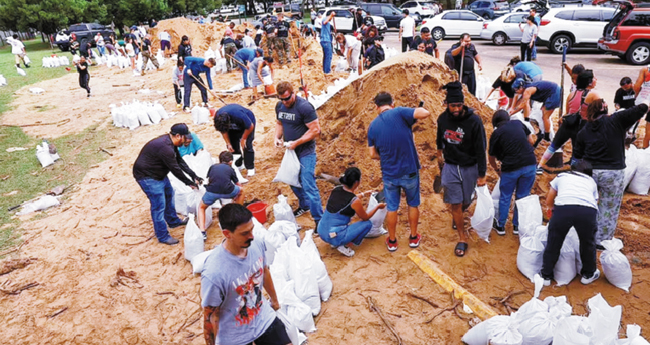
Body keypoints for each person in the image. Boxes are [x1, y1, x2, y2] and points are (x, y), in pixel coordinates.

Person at [201, 204, 289, 345]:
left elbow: (264, 271)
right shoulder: (214, 273)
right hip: (235, 337)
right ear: (227, 234)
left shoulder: (256, 244)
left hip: (263, 319)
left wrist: (274, 301)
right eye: (244, 233)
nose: (251, 236)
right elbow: (211, 315)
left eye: (251, 230)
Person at [574, 98, 650, 246]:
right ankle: (602, 240)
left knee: (587, 203)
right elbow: (639, 109)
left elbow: (577, 156)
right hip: (613, 173)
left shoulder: (585, 130)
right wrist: (647, 104)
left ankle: (582, 234)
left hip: (590, 173)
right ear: (606, 109)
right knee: (609, 207)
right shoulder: (616, 120)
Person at [368, 92, 430, 252]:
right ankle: (414, 237)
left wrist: (386, 154)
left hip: (389, 174)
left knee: (392, 207)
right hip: (409, 170)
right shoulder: (400, 112)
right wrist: (415, 111)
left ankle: (393, 240)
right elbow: (425, 113)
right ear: (392, 103)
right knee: (413, 204)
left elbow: (372, 154)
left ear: (376, 107)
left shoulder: (373, 126)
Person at [436, 81, 487, 257]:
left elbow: (481, 149)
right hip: (450, 166)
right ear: (447, 104)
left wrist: (482, 174)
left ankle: (458, 214)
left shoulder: (474, 121)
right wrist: (439, 155)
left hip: (469, 167)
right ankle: (462, 237)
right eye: (452, 105)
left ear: (463, 104)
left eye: (459, 105)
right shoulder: (443, 119)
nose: (456, 109)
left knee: (466, 200)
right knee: (455, 203)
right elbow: (439, 139)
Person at [133, 123, 202, 245]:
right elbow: (175, 169)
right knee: (158, 206)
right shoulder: (165, 148)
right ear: (178, 136)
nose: (186, 141)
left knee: (169, 194)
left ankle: (173, 221)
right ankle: (163, 236)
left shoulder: (171, 143)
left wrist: (193, 175)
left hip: (159, 174)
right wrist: (189, 183)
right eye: (185, 138)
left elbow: (179, 161)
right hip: (147, 177)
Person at [541, 160, 600, 286]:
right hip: (587, 211)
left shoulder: (561, 177)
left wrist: (551, 209)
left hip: (563, 208)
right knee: (587, 243)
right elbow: (595, 201)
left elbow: (550, 198)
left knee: (554, 241)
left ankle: (546, 275)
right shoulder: (591, 182)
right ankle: (588, 274)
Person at [274, 81, 323, 229]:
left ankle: (319, 220)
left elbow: (315, 130)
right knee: (292, 180)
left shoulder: (304, 107)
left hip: (305, 151)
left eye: (287, 98)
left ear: (293, 93)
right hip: (291, 151)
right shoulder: (280, 106)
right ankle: (305, 205)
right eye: (281, 99)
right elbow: (279, 123)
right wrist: (277, 137)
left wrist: (298, 142)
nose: (285, 102)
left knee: (308, 183)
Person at [538, 70, 598, 173]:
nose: (596, 80)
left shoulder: (572, 94)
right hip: (581, 126)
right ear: (589, 81)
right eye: (594, 78)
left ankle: (540, 166)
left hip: (568, 124)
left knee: (553, 146)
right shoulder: (593, 95)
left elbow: (568, 111)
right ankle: (573, 171)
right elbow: (600, 111)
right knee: (577, 150)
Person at [318, 168, 386, 257]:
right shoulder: (354, 201)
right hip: (336, 235)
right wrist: (377, 207)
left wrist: (364, 194)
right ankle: (344, 245)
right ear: (356, 183)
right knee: (367, 224)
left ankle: (334, 242)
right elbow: (365, 217)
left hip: (322, 231)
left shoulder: (337, 189)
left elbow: (347, 199)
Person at [488, 110, 537, 235]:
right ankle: (517, 226)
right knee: (522, 196)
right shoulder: (518, 123)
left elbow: (491, 157)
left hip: (510, 168)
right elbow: (531, 141)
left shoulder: (496, 134)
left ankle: (501, 226)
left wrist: (497, 170)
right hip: (530, 164)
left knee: (505, 196)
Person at [198, 151, 245, 236]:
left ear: (219, 161)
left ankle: (202, 231)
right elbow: (238, 184)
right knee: (241, 191)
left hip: (212, 192)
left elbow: (209, 180)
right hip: (228, 191)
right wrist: (236, 196)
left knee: (201, 208)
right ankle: (239, 214)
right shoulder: (230, 169)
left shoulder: (212, 167)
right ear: (230, 162)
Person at [510, 78, 561, 143]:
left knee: (545, 116)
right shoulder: (526, 89)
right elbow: (521, 102)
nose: (516, 92)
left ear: (521, 87)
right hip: (552, 91)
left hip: (554, 92)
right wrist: (512, 110)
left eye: (516, 90)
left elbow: (522, 105)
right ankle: (543, 133)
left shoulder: (527, 91)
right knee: (542, 111)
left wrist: (510, 114)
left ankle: (547, 136)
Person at [214, 104, 257, 176]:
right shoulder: (218, 118)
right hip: (233, 127)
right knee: (233, 145)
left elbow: (250, 126)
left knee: (247, 145)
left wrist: (243, 138)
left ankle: (250, 167)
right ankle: (238, 164)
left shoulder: (238, 115)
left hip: (247, 124)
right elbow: (223, 130)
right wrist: (228, 143)